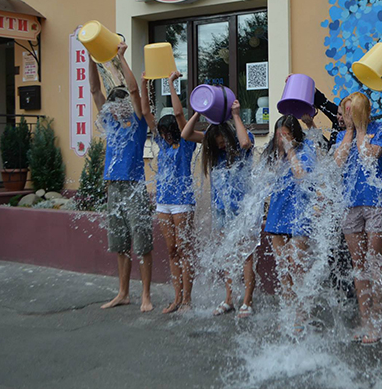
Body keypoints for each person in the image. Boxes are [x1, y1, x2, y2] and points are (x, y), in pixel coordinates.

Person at [89, 42, 153, 312]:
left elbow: (135, 90)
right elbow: (95, 90)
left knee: (142, 243)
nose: (116, 108)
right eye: (113, 104)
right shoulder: (110, 122)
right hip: (113, 188)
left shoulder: (137, 123)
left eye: (120, 103)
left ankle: (146, 296)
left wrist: (120, 58)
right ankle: (123, 293)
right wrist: (91, 57)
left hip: (134, 187)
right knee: (120, 243)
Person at [181, 99, 256, 318]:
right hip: (221, 210)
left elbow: (244, 143)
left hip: (243, 210)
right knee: (228, 254)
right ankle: (229, 299)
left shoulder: (244, 140)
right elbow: (186, 134)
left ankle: (247, 301)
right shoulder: (214, 146)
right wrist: (198, 112)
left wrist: (236, 115)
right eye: (217, 144)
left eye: (223, 142)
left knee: (246, 255)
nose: (221, 146)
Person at [334, 92, 382, 344]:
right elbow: (337, 163)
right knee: (359, 266)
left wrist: (360, 130)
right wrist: (349, 131)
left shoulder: (380, 129)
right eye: (345, 112)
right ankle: (365, 318)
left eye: (351, 111)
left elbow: (368, 157)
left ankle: (376, 321)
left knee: (374, 264)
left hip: (374, 203)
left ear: (364, 111)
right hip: (350, 205)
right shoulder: (341, 136)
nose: (346, 116)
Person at [140, 71, 196, 314]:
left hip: (182, 202)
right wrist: (144, 84)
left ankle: (187, 300)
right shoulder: (162, 143)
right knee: (172, 250)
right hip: (163, 202)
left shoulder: (186, 142)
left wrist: (172, 84)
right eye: (161, 133)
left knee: (184, 250)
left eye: (166, 132)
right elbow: (146, 113)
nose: (163, 136)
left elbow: (180, 114)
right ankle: (177, 298)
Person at [262, 115, 316, 331]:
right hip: (278, 212)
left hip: (299, 214)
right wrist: (279, 156)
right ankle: (288, 310)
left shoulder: (306, 150)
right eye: (279, 135)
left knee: (297, 266)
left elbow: (302, 177)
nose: (282, 139)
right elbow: (267, 181)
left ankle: (302, 312)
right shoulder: (274, 155)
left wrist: (290, 151)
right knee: (283, 267)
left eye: (285, 135)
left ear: (295, 135)